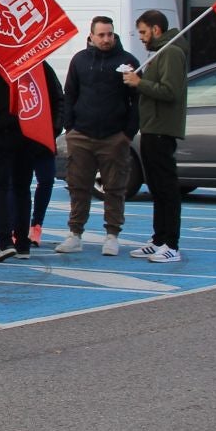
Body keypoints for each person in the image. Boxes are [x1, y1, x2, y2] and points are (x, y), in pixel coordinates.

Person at [56, 16, 140, 255]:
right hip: (81, 134)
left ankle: (112, 235)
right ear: (91, 36)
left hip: (114, 136)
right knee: (78, 186)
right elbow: (69, 93)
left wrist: (127, 133)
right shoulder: (80, 60)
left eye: (110, 34)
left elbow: (136, 100)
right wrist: (69, 127)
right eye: (101, 35)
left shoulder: (127, 61)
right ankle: (75, 234)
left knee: (115, 187)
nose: (106, 39)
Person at [0, 54, 63, 262]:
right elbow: (53, 93)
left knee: (0, 187)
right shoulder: (34, 58)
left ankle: (4, 240)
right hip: (27, 128)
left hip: (1, 130)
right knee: (22, 186)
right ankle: (22, 242)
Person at [124, 8, 188, 264]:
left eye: (143, 31)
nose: (141, 37)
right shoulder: (159, 52)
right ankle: (159, 238)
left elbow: (170, 91)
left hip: (162, 130)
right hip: (152, 128)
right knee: (157, 188)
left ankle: (171, 243)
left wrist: (139, 83)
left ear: (156, 29)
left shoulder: (171, 51)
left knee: (166, 188)